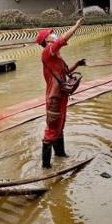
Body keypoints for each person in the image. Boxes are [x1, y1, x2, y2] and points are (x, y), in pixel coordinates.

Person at [35, 18, 86, 169]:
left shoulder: (56, 56)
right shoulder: (48, 52)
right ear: (46, 40)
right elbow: (62, 40)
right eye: (51, 34)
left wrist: (77, 64)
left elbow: (65, 73)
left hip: (61, 96)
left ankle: (60, 155)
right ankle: (46, 167)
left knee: (60, 125)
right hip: (54, 98)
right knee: (52, 129)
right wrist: (76, 26)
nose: (54, 35)